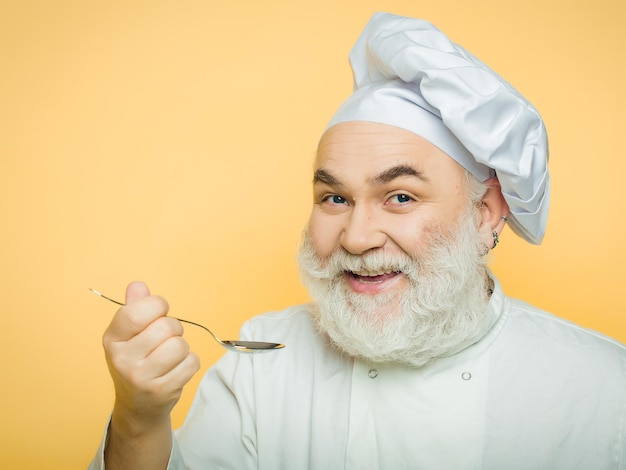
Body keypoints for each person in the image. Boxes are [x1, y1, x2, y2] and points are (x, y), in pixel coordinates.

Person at [89, 12, 626, 470]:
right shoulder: (263, 363)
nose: (357, 237)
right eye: (335, 199)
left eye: (400, 197)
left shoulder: (603, 389)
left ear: (486, 214)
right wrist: (139, 418)